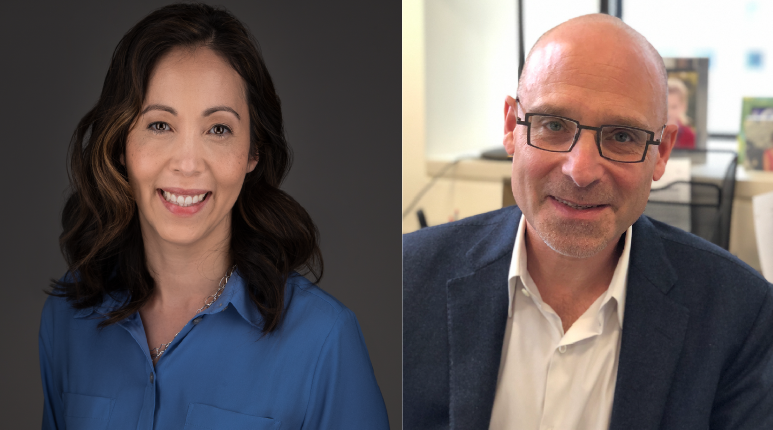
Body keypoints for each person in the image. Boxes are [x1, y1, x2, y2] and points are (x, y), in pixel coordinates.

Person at [403, 14, 773, 430]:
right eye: (555, 125)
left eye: (621, 136)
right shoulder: (406, 278)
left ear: (663, 152)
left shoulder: (741, 315)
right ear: (511, 127)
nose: (581, 171)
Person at [39, 4, 389, 429]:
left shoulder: (323, 339)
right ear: (120, 144)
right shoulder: (68, 318)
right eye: (160, 125)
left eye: (218, 129)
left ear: (252, 152)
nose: (187, 165)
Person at [667, 77, 697, 149]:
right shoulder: (651, 133)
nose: (669, 112)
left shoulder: (689, 135)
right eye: (665, 106)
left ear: (683, 107)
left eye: (674, 107)